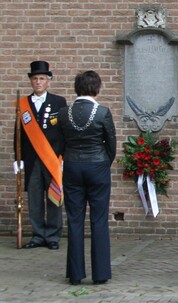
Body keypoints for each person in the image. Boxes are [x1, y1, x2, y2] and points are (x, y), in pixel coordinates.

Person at [58, 70, 116, 285]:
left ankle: (75, 274)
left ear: (77, 88)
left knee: (74, 220)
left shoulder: (64, 113)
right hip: (97, 166)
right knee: (99, 220)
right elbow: (111, 144)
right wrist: (103, 163)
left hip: (72, 166)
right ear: (97, 88)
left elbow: (60, 143)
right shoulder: (103, 112)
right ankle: (100, 274)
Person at [14, 61, 67, 250]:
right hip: (31, 160)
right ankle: (38, 235)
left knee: (53, 197)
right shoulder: (23, 104)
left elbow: (63, 131)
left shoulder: (59, 102)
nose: (38, 82)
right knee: (34, 198)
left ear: (48, 81)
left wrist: (63, 157)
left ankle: (53, 235)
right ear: (30, 81)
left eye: (42, 78)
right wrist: (17, 159)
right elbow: (18, 132)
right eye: (35, 78)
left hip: (52, 158)